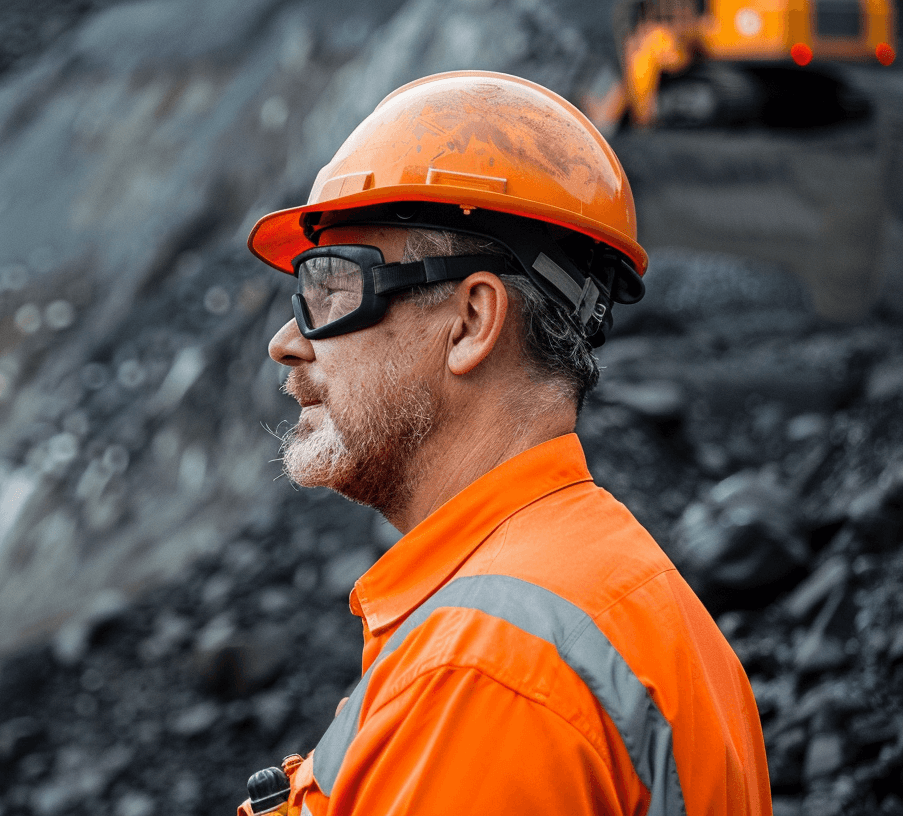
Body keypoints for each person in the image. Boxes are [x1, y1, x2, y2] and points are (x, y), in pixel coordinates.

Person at [241, 71, 771, 815]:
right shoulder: (624, 599)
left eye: (333, 288)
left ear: (470, 321)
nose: (288, 341)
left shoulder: (485, 675)